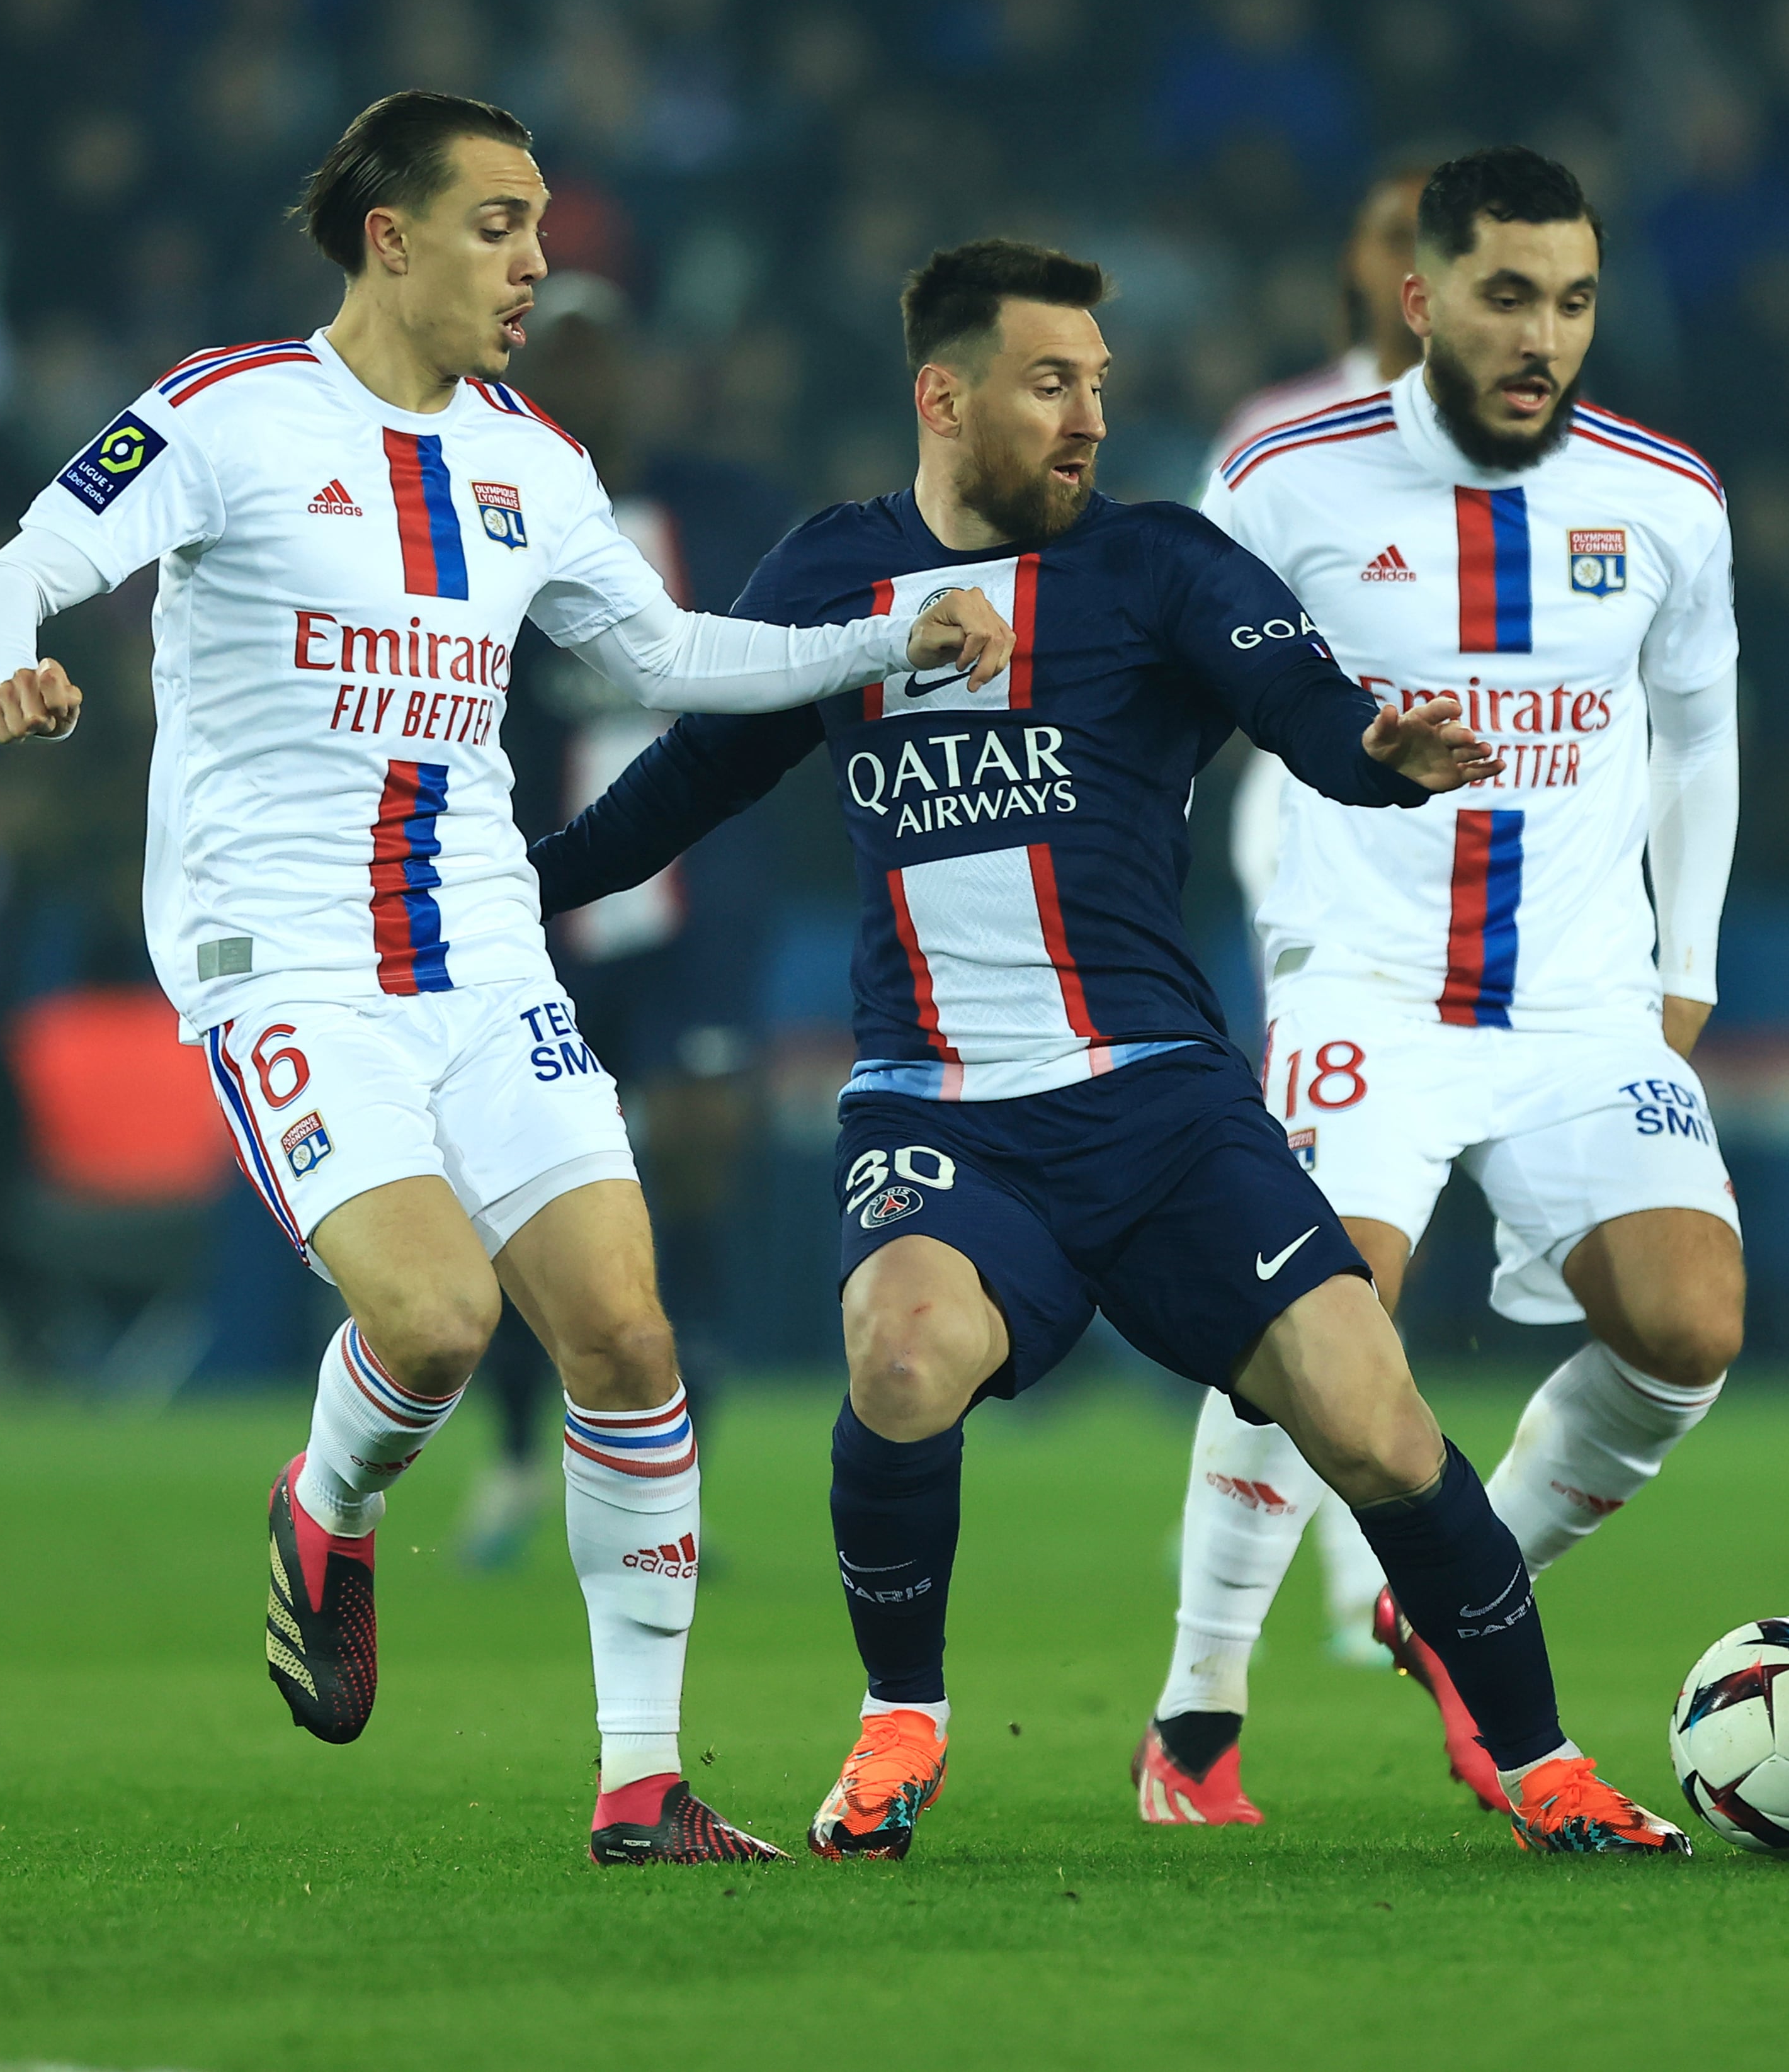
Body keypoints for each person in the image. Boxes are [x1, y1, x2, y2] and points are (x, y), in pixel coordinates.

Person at [0, 91, 1011, 1866]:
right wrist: (8, 668)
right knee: (438, 1318)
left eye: (541, 230)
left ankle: (643, 1782)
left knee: (624, 1331)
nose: (538, 263)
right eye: (501, 226)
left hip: (481, 945)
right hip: (278, 956)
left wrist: (881, 636)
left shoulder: (530, 458)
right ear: (388, 235)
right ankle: (329, 1496)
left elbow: (663, 653)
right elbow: (16, 573)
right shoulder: (226, 415)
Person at [530, 237, 1694, 1862]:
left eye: (1096, 384)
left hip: (1161, 1108)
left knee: (1372, 1419)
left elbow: (1311, 710)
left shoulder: (1159, 565)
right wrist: (510, 890)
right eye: (1048, 383)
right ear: (943, 395)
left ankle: (1547, 1764)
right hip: (942, 1112)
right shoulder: (828, 577)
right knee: (902, 1353)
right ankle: (899, 1723)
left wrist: (1379, 752)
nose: (1086, 417)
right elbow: (680, 789)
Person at [1137, 145, 1743, 1828]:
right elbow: (1168, 710)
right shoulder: (1280, 473)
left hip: (1580, 1006)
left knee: (1688, 1328)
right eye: (1505, 295)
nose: (1541, 331)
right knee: (1311, 1327)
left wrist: (1683, 973)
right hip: (1370, 985)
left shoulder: (1667, 497)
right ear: (1421, 300)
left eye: (1571, 299)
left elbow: (1701, 735)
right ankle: (1196, 1711)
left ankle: (1445, 1585)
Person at [457, 271, 800, 1571]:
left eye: (608, 359)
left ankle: (683, 1456)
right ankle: (507, 1452)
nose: (589, 387)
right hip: (535, 889)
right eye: (564, 363)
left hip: (702, 888)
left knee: (699, 1151)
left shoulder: (724, 511)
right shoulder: (480, 509)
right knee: (518, 1181)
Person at [1200, 161, 1428, 1672]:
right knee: (1335, 1237)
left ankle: (1276, 1517)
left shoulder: (1552, 458)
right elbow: (1194, 644)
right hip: (1318, 854)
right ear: (1358, 267)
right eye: (1394, 231)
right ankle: (1353, 1578)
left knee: (1371, 1234)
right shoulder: (1285, 442)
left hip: (1485, 879)